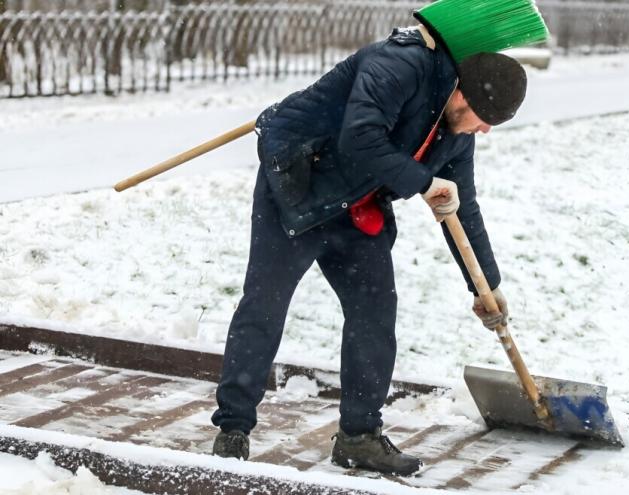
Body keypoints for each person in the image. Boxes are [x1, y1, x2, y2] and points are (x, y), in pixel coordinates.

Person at [210, 24, 527, 476]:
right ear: (463, 94)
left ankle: (359, 436)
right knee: (265, 303)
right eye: (485, 118)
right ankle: (233, 428)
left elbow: (462, 205)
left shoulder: (458, 132)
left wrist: (485, 285)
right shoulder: (397, 65)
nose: (485, 131)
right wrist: (421, 181)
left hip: (358, 206)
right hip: (298, 185)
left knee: (374, 311)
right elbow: (359, 138)